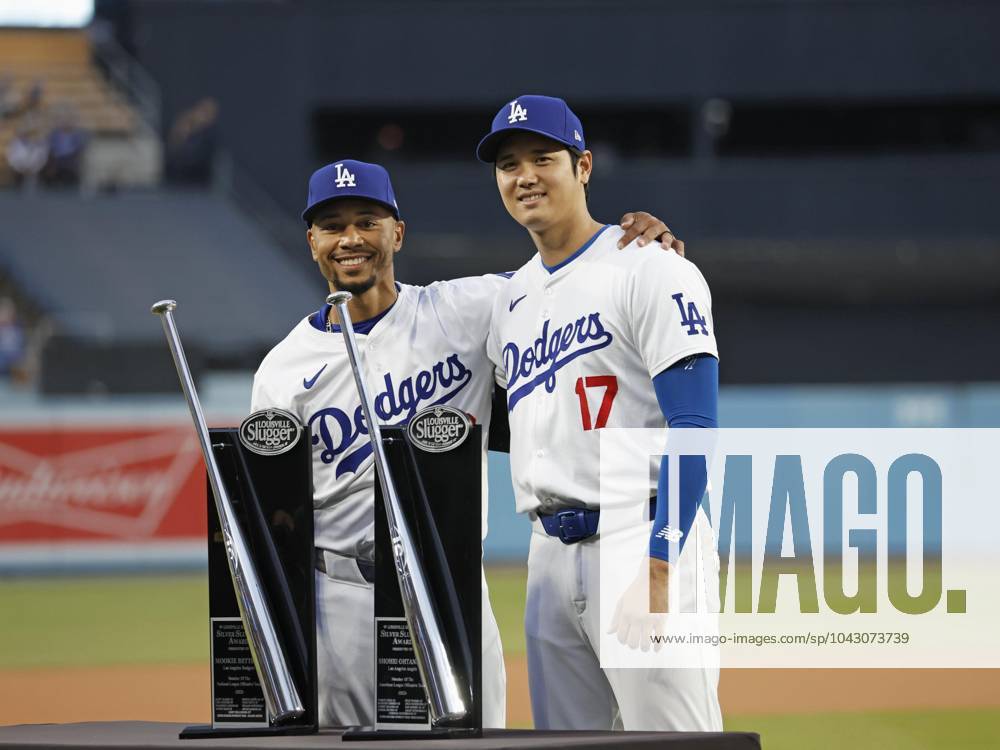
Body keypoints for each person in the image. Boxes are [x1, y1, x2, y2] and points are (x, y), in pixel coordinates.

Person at [250, 158, 678, 727]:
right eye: (332, 225)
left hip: (450, 586)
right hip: (340, 597)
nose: (350, 238)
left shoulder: (467, 309)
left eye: (366, 221)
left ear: (397, 232)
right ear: (312, 242)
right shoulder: (282, 370)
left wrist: (635, 244)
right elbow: (273, 520)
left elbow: (564, 280)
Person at [478, 95, 722, 732]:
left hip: (638, 534)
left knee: (676, 743)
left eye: (542, 157)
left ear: (583, 166)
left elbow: (694, 427)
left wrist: (662, 566)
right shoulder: (511, 300)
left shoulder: (650, 266)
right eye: (508, 163)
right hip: (547, 555)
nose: (525, 174)